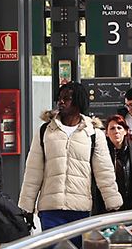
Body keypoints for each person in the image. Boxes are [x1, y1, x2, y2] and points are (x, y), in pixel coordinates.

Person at [18, 82, 122, 232]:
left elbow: (104, 173)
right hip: (50, 209)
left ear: (79, 101)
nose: (61, 102)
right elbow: (33, 172)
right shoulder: (45, 131)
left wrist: (113, 204)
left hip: (80, 210)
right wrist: (26, 207)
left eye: (67, 98)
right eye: (60, 98)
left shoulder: (93, 134)